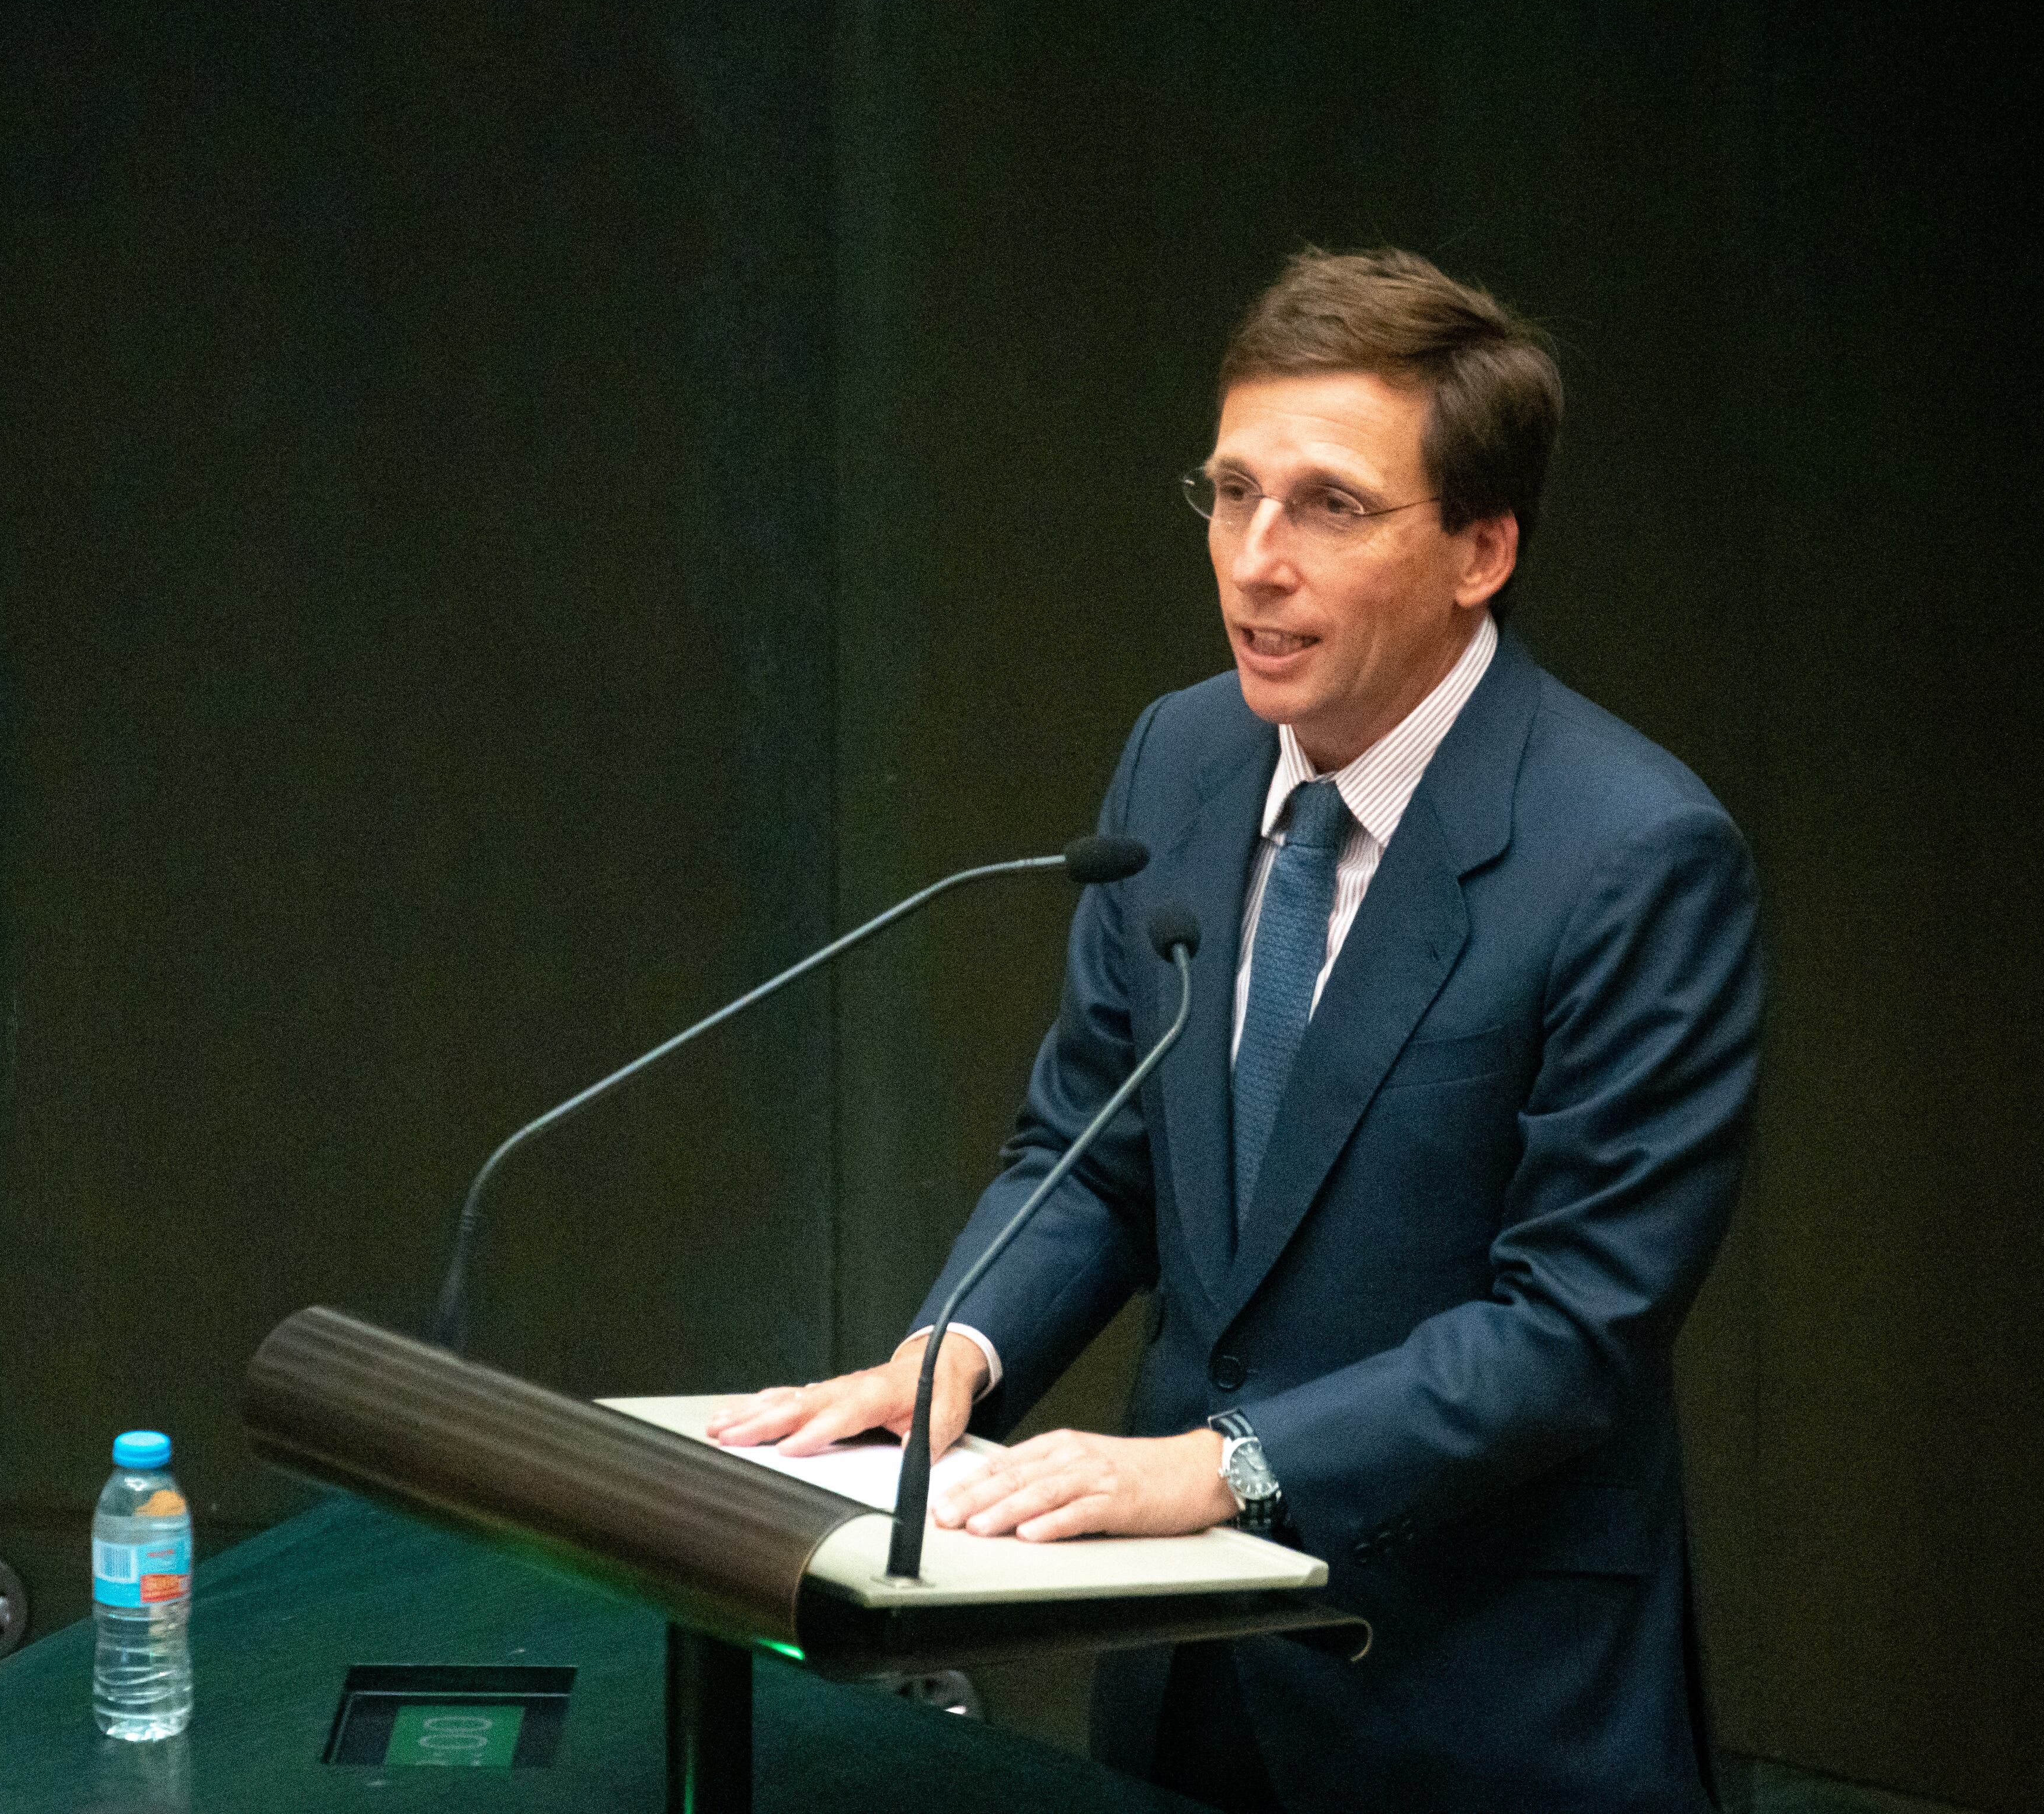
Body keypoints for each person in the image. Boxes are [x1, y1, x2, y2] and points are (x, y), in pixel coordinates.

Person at [709, 248, 1761, 1814]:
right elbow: (1095, 1145)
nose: (1255, 560)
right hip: (1189, 1678)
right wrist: (956, 1350)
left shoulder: (1632, 855)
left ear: (1482, 549)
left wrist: (1214, 1466)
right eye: (1229, 491)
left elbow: (1569, 1336)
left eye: (1330, 506)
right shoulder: (1182, 762)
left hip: (1480, 1708)